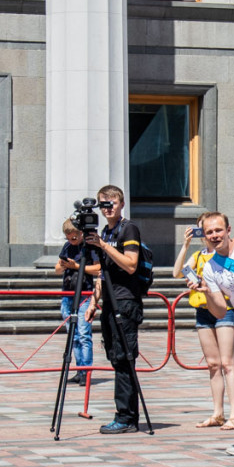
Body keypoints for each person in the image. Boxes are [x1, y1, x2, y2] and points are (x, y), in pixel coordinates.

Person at [191, 213, 234, 460]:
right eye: (210, 232)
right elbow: (219, 310)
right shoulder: (209, 267)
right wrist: (208, 292)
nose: (215, 236)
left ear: (228, 229)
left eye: (218, 230)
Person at [84, 185, 144, 435]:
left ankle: (126, 416)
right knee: (115, 357)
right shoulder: (106, 232)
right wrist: (92, 302)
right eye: (103, 204)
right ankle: (125, 415)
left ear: (121, 204)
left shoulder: (127, 228)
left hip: (126, 301)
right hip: (109, 300)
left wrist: (104, 246)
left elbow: (131, 265)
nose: (108, 208)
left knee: (124, 358)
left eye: (112, 203)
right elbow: (102, 273)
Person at [173, 215, 234, 430]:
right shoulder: (199, 255)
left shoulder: (228, 255)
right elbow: (177, 272)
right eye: (204, 230)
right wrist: (185, 244)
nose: (210, 235)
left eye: (215, 230)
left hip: (226, 309)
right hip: (203, 309)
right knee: (213, 364)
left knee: (228, 363)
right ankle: (217, 413)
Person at [55, 219, 100, 386]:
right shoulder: (67, 247)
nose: (71, 241)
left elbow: (98, 269)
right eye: (68, 238)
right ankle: (79, 370)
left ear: (81, 233)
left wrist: (76, 266)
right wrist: (64, 265)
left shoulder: (90, 248)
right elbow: (57, 269)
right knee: (73, 336)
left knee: (83, 334)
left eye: (74, 238)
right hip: (67, 294)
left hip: (84, 294)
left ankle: (86, 372)